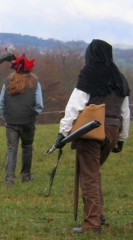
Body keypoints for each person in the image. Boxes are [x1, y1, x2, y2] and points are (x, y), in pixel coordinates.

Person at [52, 39, 130, 234]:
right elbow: (125, 112)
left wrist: (63, 132)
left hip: (90, 131)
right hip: (112, 131)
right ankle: (99, 215)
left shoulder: (90, 73)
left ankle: (92, 223)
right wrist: (122, 138)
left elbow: (74, 106)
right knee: (93, 174)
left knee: (89, 177)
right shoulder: (119, 77)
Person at [0, 54, 44, 186]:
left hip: (11, 122)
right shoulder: (35, 83)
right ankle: (26, 176)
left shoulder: (7, 82)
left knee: (11, 150)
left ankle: (9, 179)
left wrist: (6, 118)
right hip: (28, 122)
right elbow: (39, 104)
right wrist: (33, 117)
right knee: (27, 148)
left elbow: (1, 103)